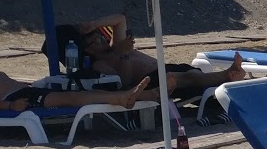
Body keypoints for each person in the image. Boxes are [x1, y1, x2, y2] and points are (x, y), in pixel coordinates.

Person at [65, 14, 245, 94]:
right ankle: (227, 75)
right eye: (96, 40)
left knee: (193, 74)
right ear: (88, 49)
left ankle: (228, 77)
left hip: (162, 68)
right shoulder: (100, 64)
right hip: (150, 81)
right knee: (189, 77)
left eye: (101, 35)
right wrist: (124, 54)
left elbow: (120, 19)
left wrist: (95, 24)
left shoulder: (115, 45)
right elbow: (125, 83)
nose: (102, 39)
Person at [0, 71, 154, 112]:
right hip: (17, 98)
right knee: (71, 98)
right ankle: (123, 98)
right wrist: (11, 106)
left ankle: (131, 96)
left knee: (78, 94)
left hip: (26, 91)